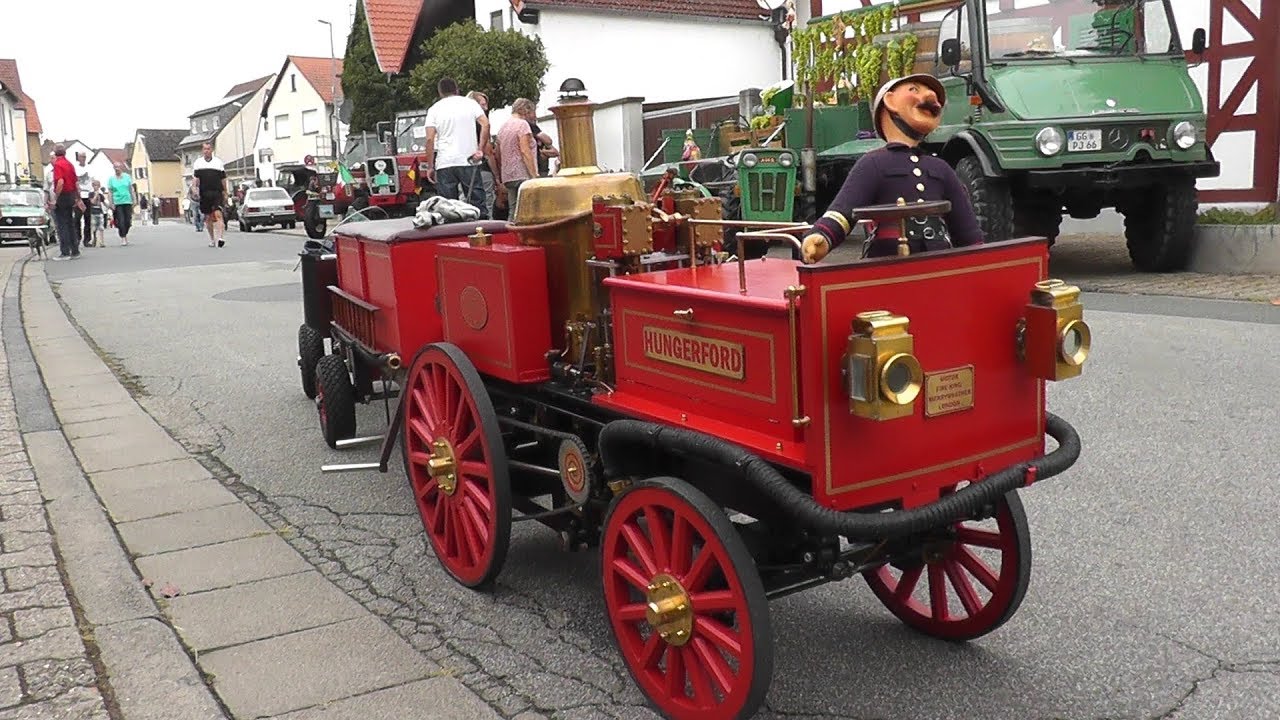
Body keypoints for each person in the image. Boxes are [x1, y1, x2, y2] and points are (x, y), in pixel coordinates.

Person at [801, 74, 983, 264]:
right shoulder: (872, 164)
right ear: (890, 100)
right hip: (886, 266)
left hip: (937, 264)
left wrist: (980, 263)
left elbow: (967, 229)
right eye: (914, 90)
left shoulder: (941, 168)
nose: (931, 97)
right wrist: (822, 235)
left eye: (935, 96)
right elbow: (842, 211)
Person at [423, 78, 489, 216]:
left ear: (440, 93)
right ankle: (480, 232)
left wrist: (430, 166)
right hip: (469, 160)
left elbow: (430, 139)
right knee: (477, 203)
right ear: (457, 90)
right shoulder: (470, 104)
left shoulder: (434, 109)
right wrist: (480, 149)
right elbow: (485, 124)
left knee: (448, 208)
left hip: (445, 163)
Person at [494, 98, 539, 218]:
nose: (532, 115)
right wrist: (534, 175)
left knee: (513, 209)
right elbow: (525, 150)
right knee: (528, 209)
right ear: (525, 110)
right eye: (531, 112)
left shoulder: (503, 127)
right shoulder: (522, 125)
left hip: (508, 174)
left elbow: (497, 153)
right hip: (522, 173)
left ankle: (512, 233)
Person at [467, 91, 499, 217]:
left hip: (465, 168)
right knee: (487, 204)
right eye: (483, 105)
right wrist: (496, 176)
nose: (486, 108)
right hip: (482, 169)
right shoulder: (481, 125)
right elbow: (488, 152)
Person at [192, 143, 228, 247]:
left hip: (216, 192)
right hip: (204, 193)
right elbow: (196, 179)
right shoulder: (198, 163)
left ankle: (220, 238)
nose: (206, 151)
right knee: (208, 218)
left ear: (211, 150)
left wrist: (225, 192)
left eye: (208, 149)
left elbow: (223, 179)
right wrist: (195, 189)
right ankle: (212, 239)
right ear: (202, 151)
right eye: (204, 149)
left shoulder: (218, 162)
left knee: (218, 214)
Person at [50, 146, 81, 259]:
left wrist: (55, 198)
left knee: (62, 224)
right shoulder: (70, 164)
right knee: (70, 223)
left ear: (55, 153)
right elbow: (76, 183)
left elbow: (60, 182)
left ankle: (65, 252)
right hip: (71, 195)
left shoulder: (58, 165)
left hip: (62, 196)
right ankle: (75, 250)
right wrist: (77, 198)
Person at [106, 162, 136, 246]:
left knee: (128, 221)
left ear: (121, 168)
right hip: (117, 202)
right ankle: (123, 237)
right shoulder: (111, 179)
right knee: (121, 220)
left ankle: (124, 233)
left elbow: (131, 189)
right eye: (115, 167)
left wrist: (134, 199)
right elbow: (110, 192)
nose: (117, 169)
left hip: (127, 201)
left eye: (118, 167)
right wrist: (111, 203)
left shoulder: (127, 177)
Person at [74, 152, 94, 247]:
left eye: (84, 157)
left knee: (88, 219)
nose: (83, 158)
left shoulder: (89, 168)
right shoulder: (75, 168)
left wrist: (93, 192)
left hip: (88, 195)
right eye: (81, 157)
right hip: (79, 196)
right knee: (77, 218)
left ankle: (87, 240)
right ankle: (77, 237)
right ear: (78, 158)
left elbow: (93, 181)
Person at [88, 180, 106, 247]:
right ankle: (93, 239)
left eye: (97, 185)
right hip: (93, 212)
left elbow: (104, 202)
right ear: (93, 186)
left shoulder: (101, 195)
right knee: (93, 227)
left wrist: (110, 207)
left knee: (101, 227)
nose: (96, 187)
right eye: (95, 185)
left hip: (100, 212)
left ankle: (102, 241)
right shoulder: (91, 194)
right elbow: (92, 202)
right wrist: (96, 195)